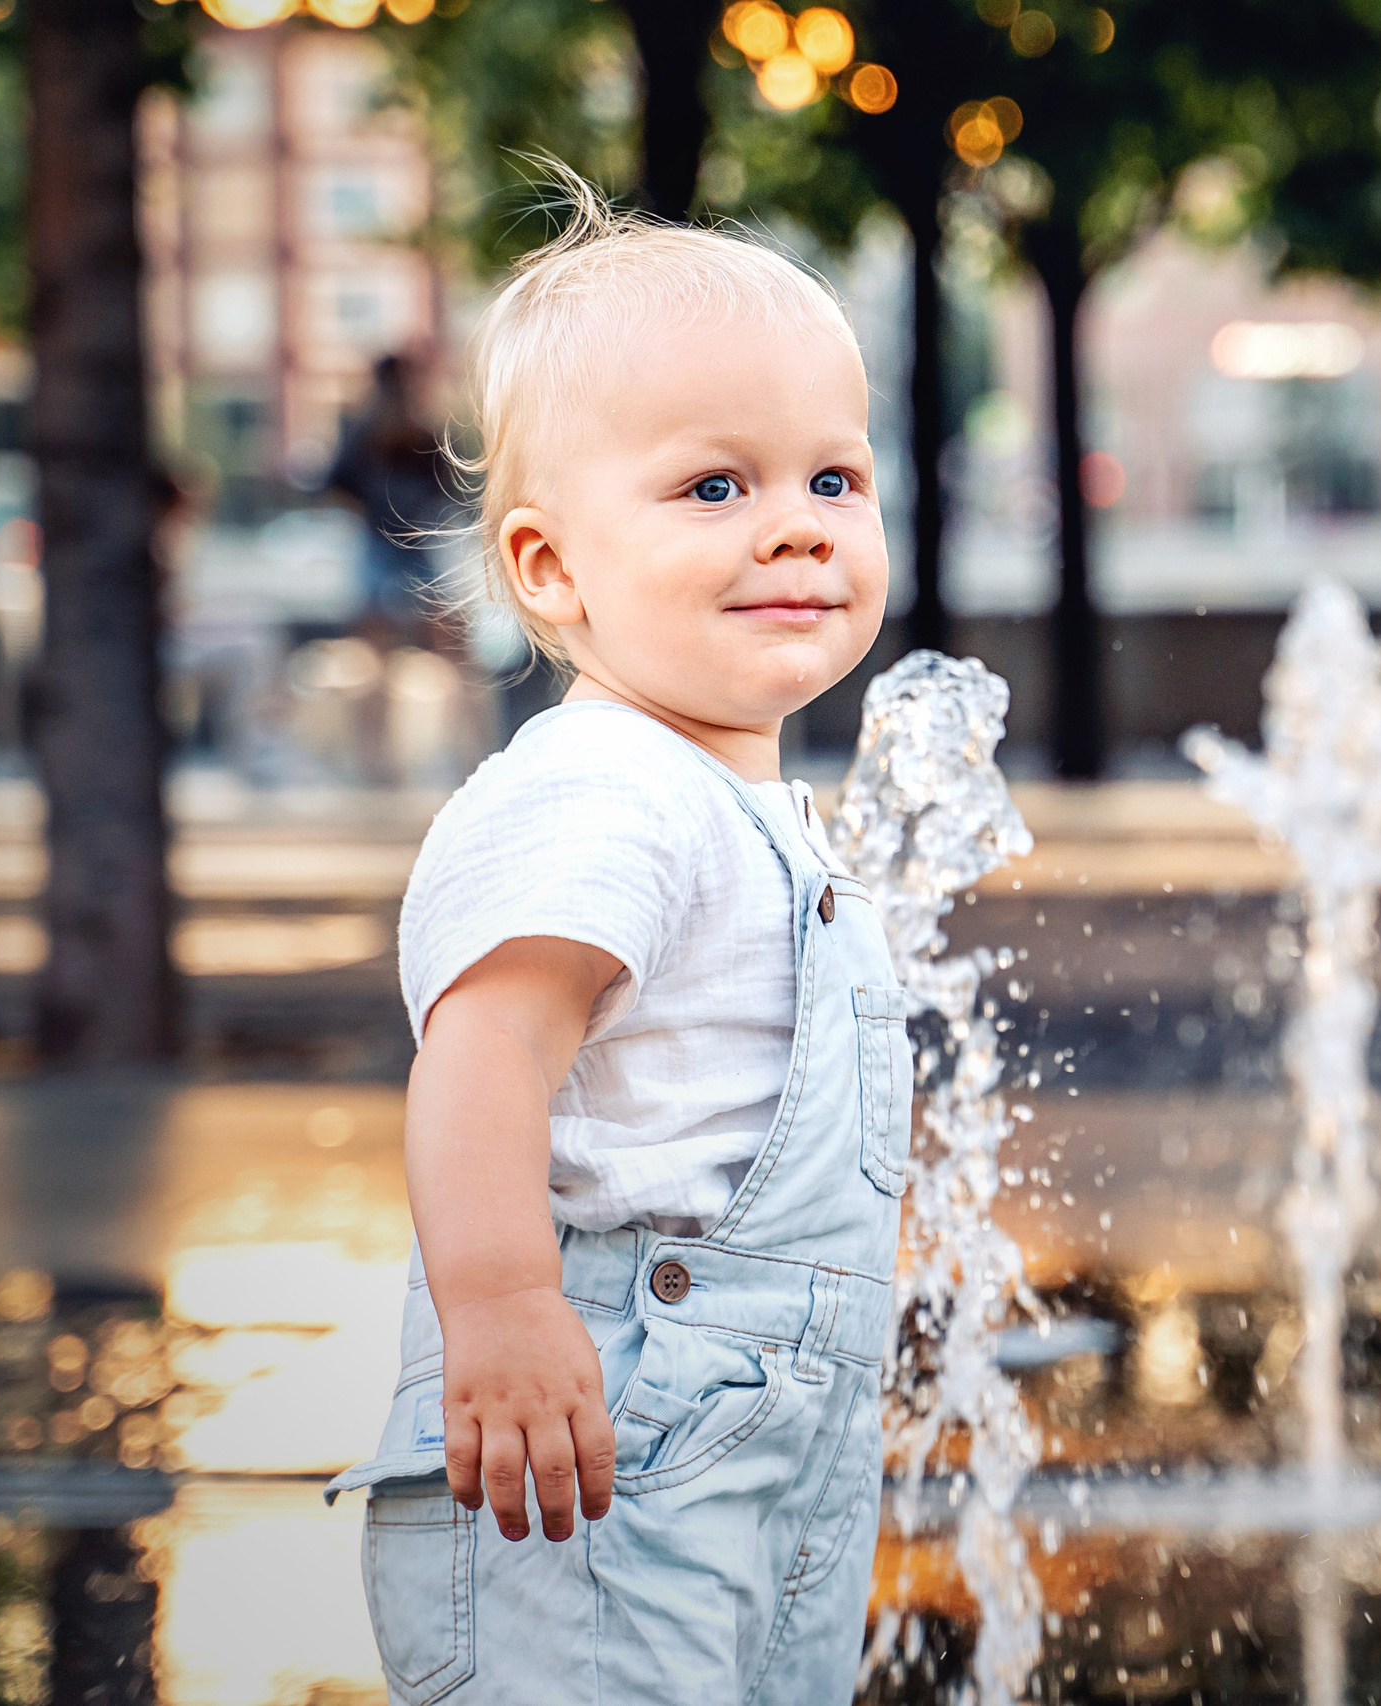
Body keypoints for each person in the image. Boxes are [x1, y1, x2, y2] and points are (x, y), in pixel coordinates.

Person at [323, 176, 905, 1705]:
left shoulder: (737, 802)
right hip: (594, 1443)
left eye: (834, 477)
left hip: (752, 1452)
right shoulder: (604, 786)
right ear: (550, 568)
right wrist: (504, 1304)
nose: (797, 524)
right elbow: (488, 1047)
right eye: (714, 487)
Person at [328, 352, 456, 640]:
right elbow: (445, 485)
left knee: (380, 624)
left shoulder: (366, 430)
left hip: (393, 538)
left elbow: (336, 481)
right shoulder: (415, 429)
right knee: (424, 620)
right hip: (407, 537)